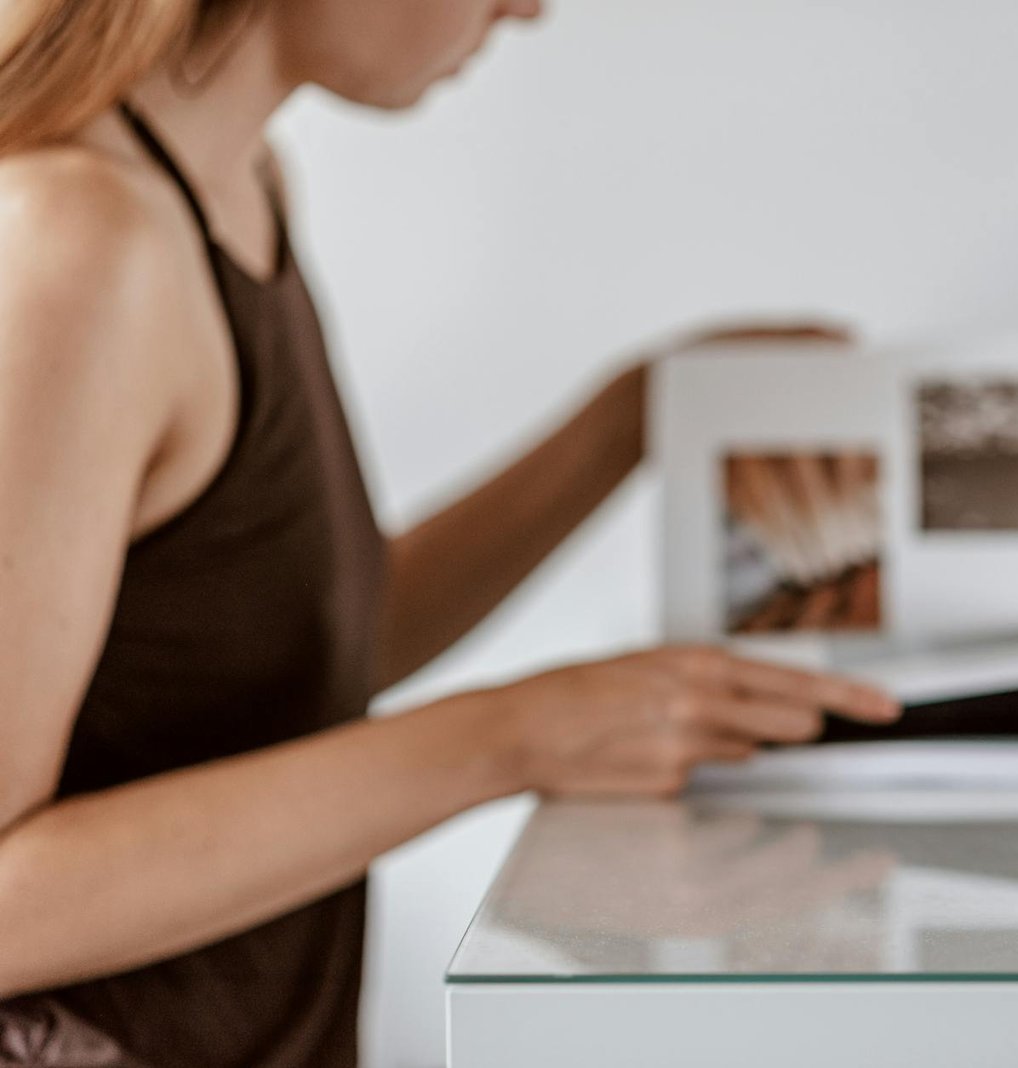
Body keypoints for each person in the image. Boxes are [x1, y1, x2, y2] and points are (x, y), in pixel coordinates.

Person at [0, 1, 901, 1063]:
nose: (528, 8)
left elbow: (298, 663)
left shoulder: (236, 187)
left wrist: (627, 422)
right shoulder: (82, 242)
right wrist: (510, 735)